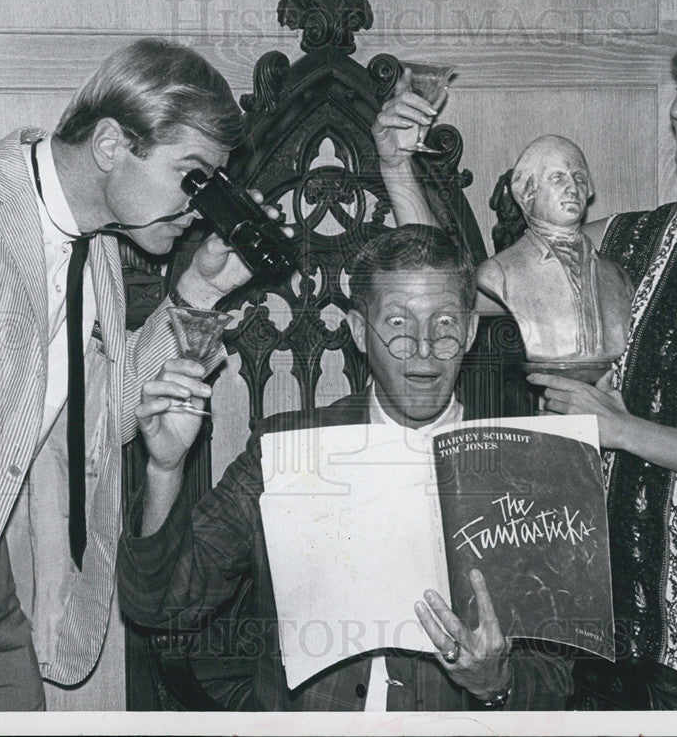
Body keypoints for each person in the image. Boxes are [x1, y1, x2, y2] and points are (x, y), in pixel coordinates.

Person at [374, 0, 677, 710]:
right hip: (584, 619)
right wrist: (398, 170)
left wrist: (622, 429)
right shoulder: (622, 240)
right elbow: (457, 296)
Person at [0, 38, 284, 710]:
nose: (201, 205)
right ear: (113, 145)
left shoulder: (99, 252)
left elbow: (99, 425)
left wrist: (199, 291)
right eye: (191, 175)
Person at [117, 225, 574, 711]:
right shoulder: (288, 450)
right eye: (397, 324)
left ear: (471, 330)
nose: (422, 349)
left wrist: (493, 680)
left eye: (444, 323)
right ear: (359, 331)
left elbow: (556, 680)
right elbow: (162, 606)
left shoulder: (523, 464)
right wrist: (165, 469)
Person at [475, 135, 632, 369]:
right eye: (557, 178)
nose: (572, 188)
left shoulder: (618, 276)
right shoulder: (498, 274)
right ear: (528, 192)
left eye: (579, 177)